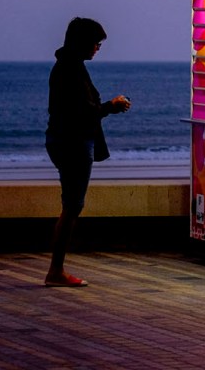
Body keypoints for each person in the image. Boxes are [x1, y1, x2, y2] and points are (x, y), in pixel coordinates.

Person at [44, 17, 131, 287]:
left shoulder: (67, 66)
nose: (97, 48)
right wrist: (111, 107)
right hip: (73, 143)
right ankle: (55, 271)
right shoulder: (70, 70)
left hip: (64, 140)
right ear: (82, 42)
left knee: (71, 205)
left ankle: (56, 270)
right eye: (95, 43)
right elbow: (82, 112)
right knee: (72, 206)